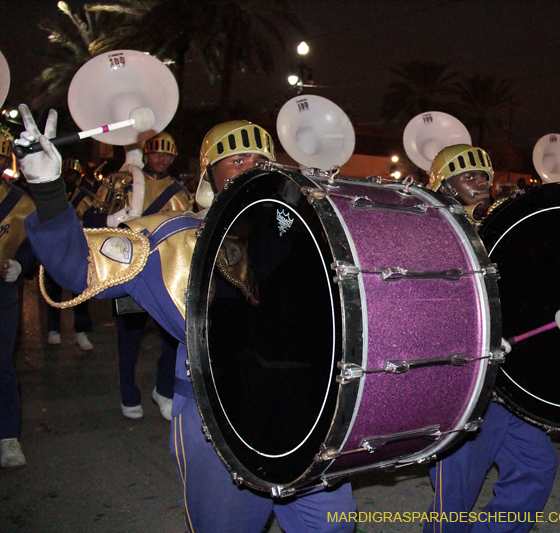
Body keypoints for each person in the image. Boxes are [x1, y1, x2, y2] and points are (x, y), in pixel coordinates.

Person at [17, 107, 356, 533]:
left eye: (260, 159)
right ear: (208, 176)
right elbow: (76, 266)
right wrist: (48, 190)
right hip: (215, 418)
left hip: (303, 412)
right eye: (236, 159)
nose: (251, 166)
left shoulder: (307, 235)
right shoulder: (171, 236)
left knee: (333, 525)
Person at [424, 144, 558, 532]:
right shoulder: (431, 234)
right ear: (443, 186)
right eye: (469, 176)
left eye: (485, 175)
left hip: (506, 382)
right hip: (463, 386)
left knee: (537, 465)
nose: (482, 182)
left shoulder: (502, 230)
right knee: (456, 496)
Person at [84, 132, 191, 420]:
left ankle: (165, 390)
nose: (161, 159)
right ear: (145, 154)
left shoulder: (180, 191)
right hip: (127, 268)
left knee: (172, 335)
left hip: (163, 272)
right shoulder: (120, 180)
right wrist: (114, 218)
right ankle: (128, 394)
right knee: (128, 337)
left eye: (167, 154)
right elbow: (90, 221)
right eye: (156, 153)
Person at [0, 128, 36, 468]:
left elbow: (32, 245)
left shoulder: (21, 202)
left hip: (2, 290)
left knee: (1, 363)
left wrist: (19, 264)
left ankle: (8, 436)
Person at [43, 157, 94, 350]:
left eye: (72, 173)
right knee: (53, 292)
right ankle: (53, 328)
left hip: (76, 251)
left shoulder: (86, 198)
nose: (68, 177)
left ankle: (81, 331)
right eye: (66, 173)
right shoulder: (53, 196)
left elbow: (91, 224)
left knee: (80, 292)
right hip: (55, 249)